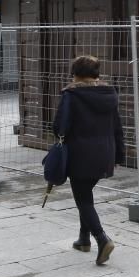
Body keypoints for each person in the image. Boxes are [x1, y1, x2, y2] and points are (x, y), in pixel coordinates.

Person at [52, 55, 125, 266]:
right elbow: (117, 128)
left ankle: (102, 239)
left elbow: (60, 128)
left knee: (82, 199)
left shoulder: (71, 95)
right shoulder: (109, 94)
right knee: (86, 194)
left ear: (75, 74)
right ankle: (83, 240)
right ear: (97, 74)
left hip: (80, 154)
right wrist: (119, 155)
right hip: (105, 154)